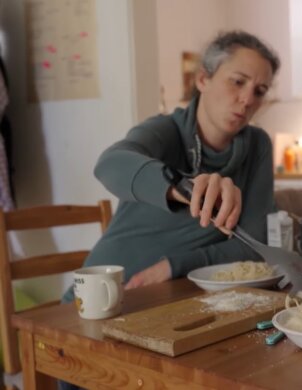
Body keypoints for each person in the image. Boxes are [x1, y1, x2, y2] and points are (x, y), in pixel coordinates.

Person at [62, 30, 280, 303]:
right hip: (103, 295)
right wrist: (184, 188)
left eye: (259, 91)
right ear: (203, 79)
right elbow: (110, 163)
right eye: (237, 82)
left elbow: (255, 246)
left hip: (174, 293)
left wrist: (172, 266)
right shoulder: (165, 131)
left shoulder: (258, 146)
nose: (247, 100)